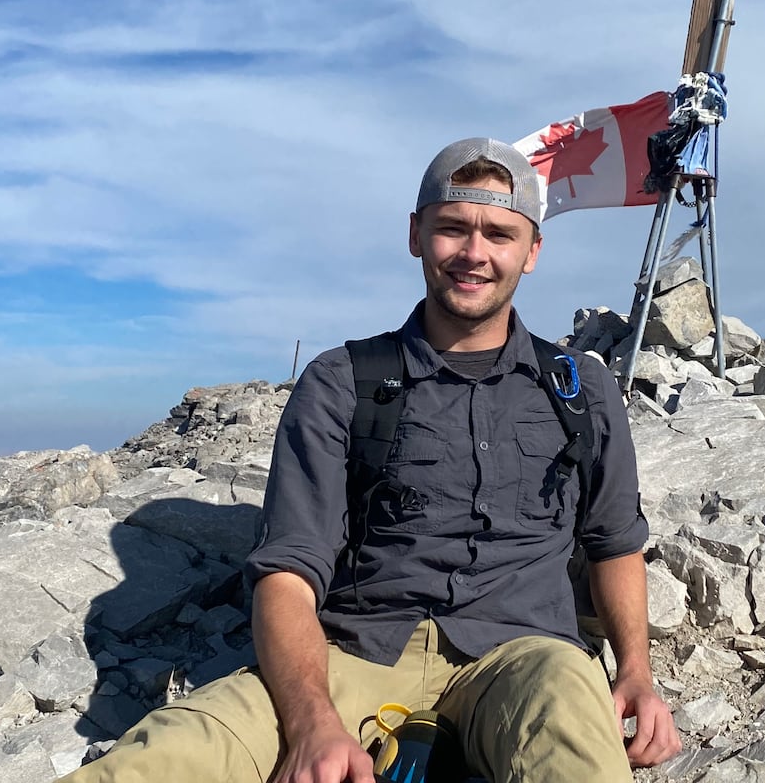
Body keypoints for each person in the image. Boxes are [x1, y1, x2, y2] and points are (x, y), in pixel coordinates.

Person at [62, 138, 680, 783]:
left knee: (574, 736)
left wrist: (636, 672)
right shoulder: (343, 382)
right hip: (357, 651)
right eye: (452, 229)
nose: (474, 254)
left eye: (499, 234)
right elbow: (289, 570)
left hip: (527, 653)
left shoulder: (579, 388)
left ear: (533, 251)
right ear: (416, 235)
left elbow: (613, 542)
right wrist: (311, 725)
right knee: (176, 751)